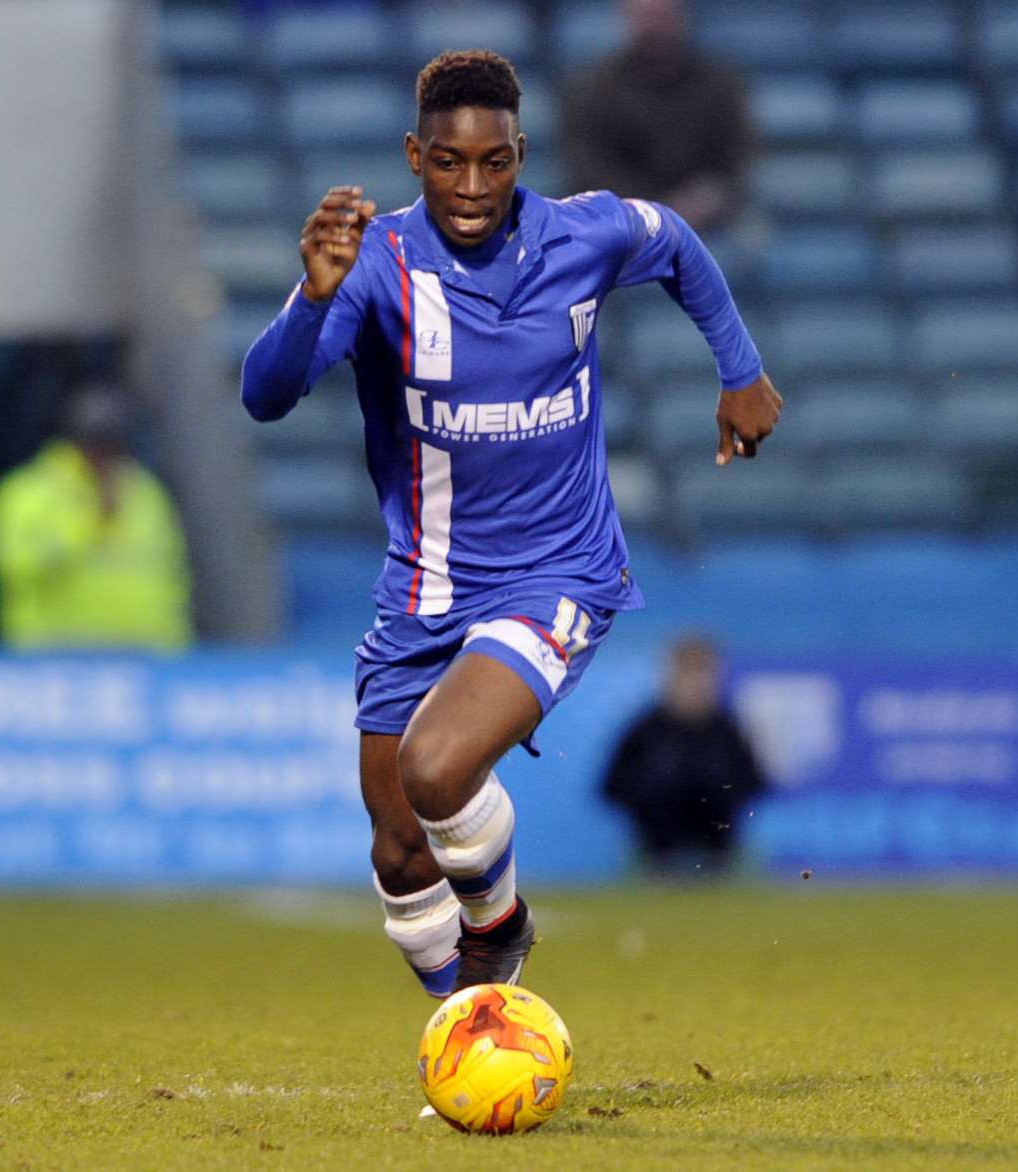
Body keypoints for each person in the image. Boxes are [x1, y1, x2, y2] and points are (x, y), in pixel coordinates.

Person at [241, 50, 781, 997]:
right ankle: (475, 1026)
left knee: (438, 768)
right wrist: (312, 300)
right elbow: (265, 395)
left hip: (557, 572)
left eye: (495, 162)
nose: (473, 185)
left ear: (521, 153)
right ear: (416, 155)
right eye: (449, 162)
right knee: (402, 857)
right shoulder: (372, 267)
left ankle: (502, 928)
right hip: (424, 582)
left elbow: (682, 245)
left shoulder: (588, 233)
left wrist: (740, 371)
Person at [0, 383, 192, 651]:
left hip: (143, 660)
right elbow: (14, 567)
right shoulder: (26, 495)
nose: (102, 454)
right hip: (53, 660)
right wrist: (89, 523)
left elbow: (172, 578)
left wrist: (175, 652)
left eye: (111, 442)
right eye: (93, 443)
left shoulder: (145, 492)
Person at [561, 0, 752, 233]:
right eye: (646, 17)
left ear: (682, 16)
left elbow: (734, 161)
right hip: (618, 221)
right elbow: (587, 167)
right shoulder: (593, 88)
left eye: (662, 16)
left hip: (708, 223)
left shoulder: (719, 85)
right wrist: (652, 210)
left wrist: (702, 200)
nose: (654, 27)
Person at [601, 636, 770, 877]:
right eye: (687, 674)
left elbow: (754, 783)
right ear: (670, 677)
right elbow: (612, 786)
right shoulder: (645, 730)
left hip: (717, 850)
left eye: (701, 674)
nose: (694, 685)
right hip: (655, 851)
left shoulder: (728, 731)